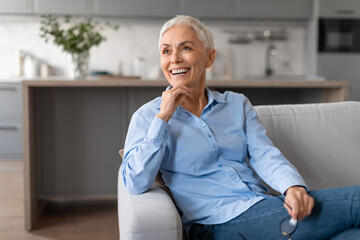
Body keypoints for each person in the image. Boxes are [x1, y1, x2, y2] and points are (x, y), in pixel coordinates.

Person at [120, 15, 360, 240]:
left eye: (186, 48)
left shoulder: (237, 104)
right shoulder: (147, 117)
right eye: (166, 51)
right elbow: (135, 181)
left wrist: (292, 186)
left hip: (262, 207)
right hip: (215, 224)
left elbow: (265, 154)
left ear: (209, 58)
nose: (174, 59)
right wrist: (163, 118)